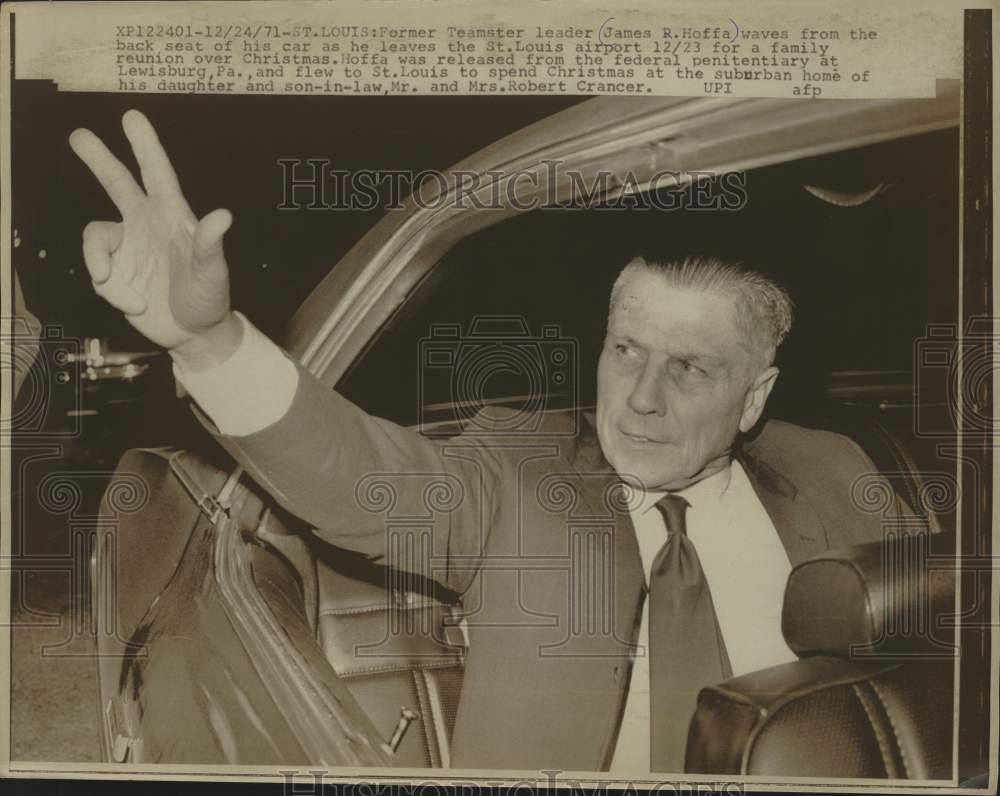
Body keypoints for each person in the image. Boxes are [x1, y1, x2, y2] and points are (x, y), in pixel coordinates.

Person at [70, 110, 900, 773]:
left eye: (688, 369)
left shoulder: (834, 472)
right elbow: (357, 477)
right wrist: (207, 342)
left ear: (753, 397)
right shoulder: (516, 471)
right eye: (626, 351)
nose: (641, 400)